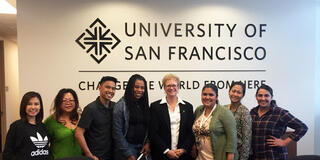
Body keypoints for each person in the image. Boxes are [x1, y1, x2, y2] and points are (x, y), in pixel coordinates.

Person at [250, 84, 308, 160]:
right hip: (256, 156)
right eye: (260, 95)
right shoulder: (252, 112)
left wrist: (284, 142)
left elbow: (302, 127)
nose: (263, 98)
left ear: (271, 97)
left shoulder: (280, 112)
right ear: (256, 97)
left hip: (274, 156)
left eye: (266, 95)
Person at [150, 73, 194, 160]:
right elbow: (152, 132)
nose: (171, 88)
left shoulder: (188, 107)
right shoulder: (155, 106)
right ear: (164, 87)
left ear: (178, 87)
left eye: (174, 85)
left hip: (182, 155)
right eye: (168, 85)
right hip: (161, 154)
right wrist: (166, 151)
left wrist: (184, 149)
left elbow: (191, 132)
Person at [75, 76, 117, 160]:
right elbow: (78, 133)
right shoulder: (90, 109)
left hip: (112, 155)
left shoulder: (115, 107)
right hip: (95, 157)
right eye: (107, 87)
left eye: (113, 88)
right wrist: (89, 155)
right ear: (99, 87)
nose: (110, 91)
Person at [192, 83, 237, 160]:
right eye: (204, 94)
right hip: (200, 157)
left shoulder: (225, 113)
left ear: (216, 97)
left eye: (211, 95)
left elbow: (232, 140)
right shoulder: (198, 110)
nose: (207, 97)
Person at [3, 91, 52, 160]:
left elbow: (46, 150)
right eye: (29, 104)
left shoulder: (43, 126)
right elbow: (7, 154)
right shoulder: (16, 126)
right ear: (24, 106)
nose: (33, 107)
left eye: (36, 104)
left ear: (40, 106)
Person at [113, 74, 151, 160]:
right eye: (136, 87)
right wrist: (127, 153)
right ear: (130, 87)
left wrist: (148, 143)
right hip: (126, 149)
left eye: (142, 88)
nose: (139, 90)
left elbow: (149, 127)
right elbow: (117, 132)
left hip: (142, 148)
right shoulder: (120, 106)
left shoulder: (144, 105)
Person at [44, 88, 82, 159]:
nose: (68, 103)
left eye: (71, 100)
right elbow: (44, 146)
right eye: (64, 100)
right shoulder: (50, 122)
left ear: (76, 102)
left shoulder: (82, 118)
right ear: (58, 102)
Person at [225, 81, 251, 160]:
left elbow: (247, 139)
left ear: (243, 95)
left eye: (239, 92)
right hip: (223, 151)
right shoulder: (223, 109)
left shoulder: (244, 111)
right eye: (233, 91)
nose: (235, 94)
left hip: (237, 153)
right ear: (229, 92)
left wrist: (243, 158)